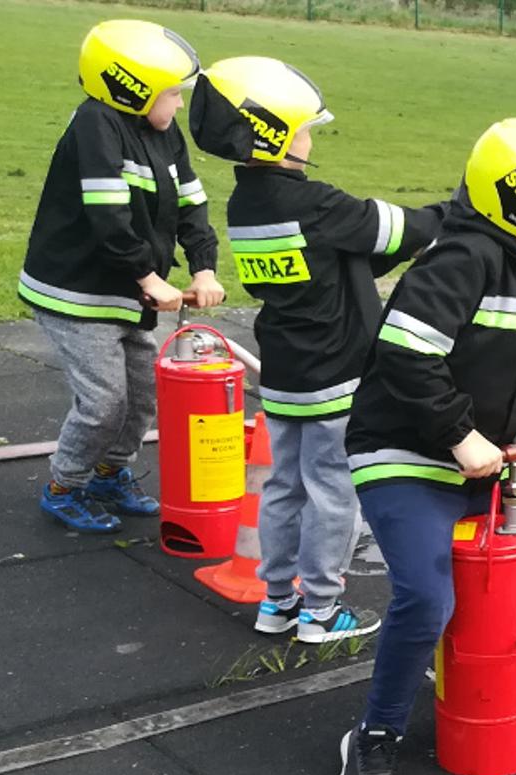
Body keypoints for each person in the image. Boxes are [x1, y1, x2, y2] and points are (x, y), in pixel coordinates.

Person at [335, 118, 516, 775]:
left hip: (486, 463)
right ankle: (374, 734)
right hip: (406, 454)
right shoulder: (460, 260)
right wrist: (460, 436)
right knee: (427, 596)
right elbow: (405, 352)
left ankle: (440, 659)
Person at [187, 55, 447, 643]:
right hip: (336, 371)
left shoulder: (247, 202)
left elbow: (341, 258)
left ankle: (277, 601)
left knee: (283, 485)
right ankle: (322, 610)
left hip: (286, 370)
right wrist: (456, 209)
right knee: (334, 491)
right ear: (275, 134)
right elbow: (400, 229)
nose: (310, 137)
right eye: (304, 127)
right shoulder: (314, 203)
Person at [20, 19, 224, 534]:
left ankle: (109, 473)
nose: (179, 104)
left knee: (142, 395)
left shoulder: (163, 131)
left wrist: (202, 265)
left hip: (127, 291)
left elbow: (191, 204)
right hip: (75, 290)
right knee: (104, 400)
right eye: (171, 94)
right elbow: (108, 216)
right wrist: (149, 276)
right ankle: (64, 485)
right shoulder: (95, 125)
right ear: (131, 91)